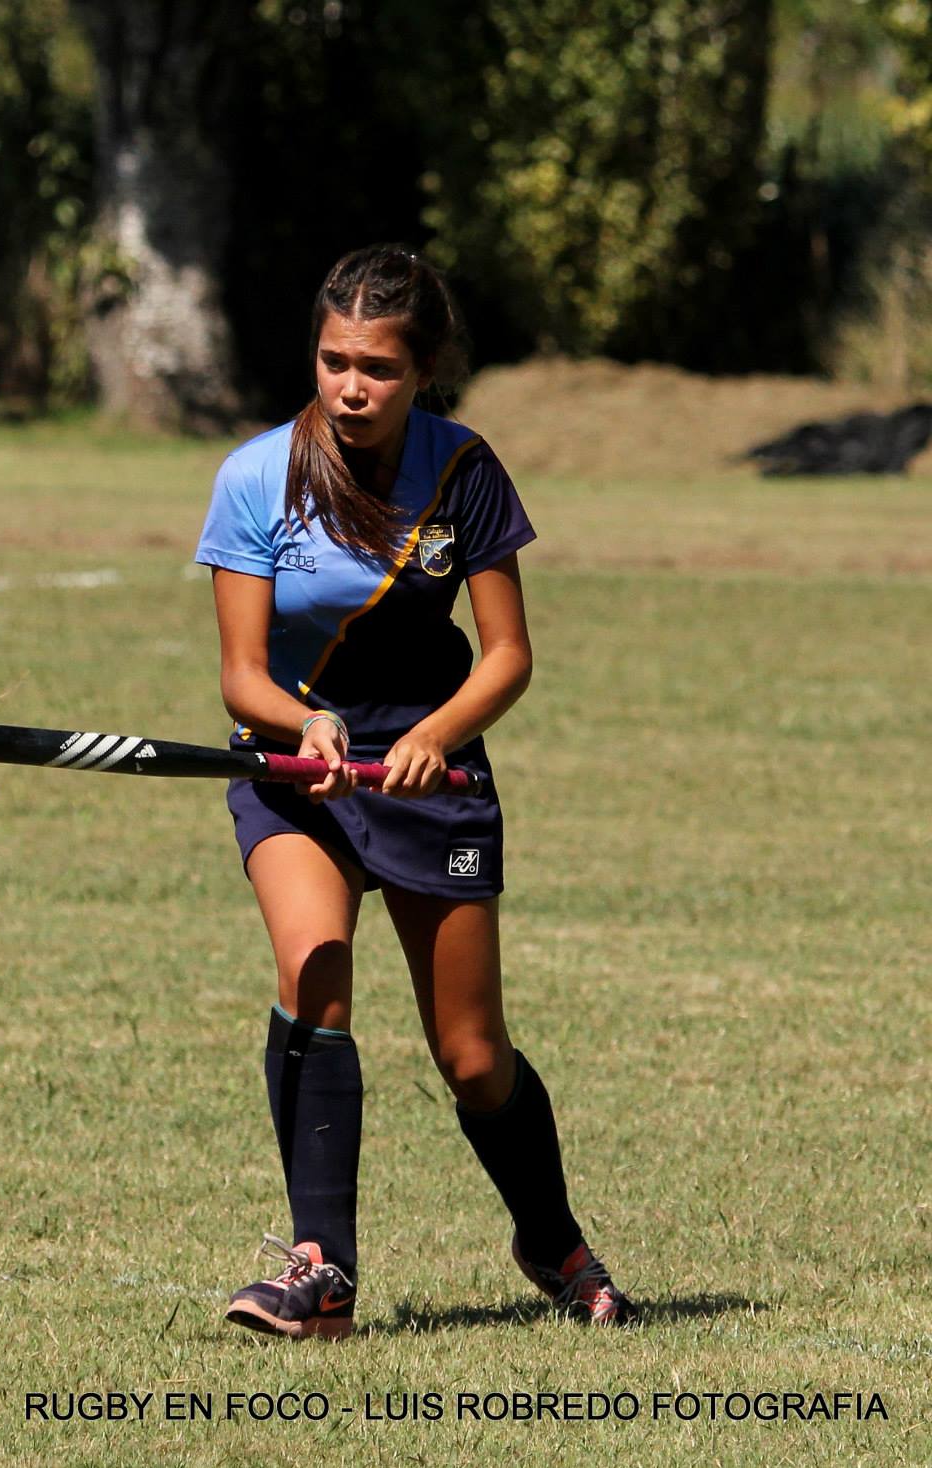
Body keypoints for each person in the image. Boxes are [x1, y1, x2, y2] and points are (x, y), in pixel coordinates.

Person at [194, 245, 634, 1340]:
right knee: (315, 974)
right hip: (294, 761)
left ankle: (550, 1239)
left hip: (428, 763)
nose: (350, 385)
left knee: (472, 1058)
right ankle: (318, 1269)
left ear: (423, 369)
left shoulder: (461, 470)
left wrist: (436, 735)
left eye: (377, 368)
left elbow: (506, 656)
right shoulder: (256, 474)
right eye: (333, 360)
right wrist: (308, 725)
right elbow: (241, 673)